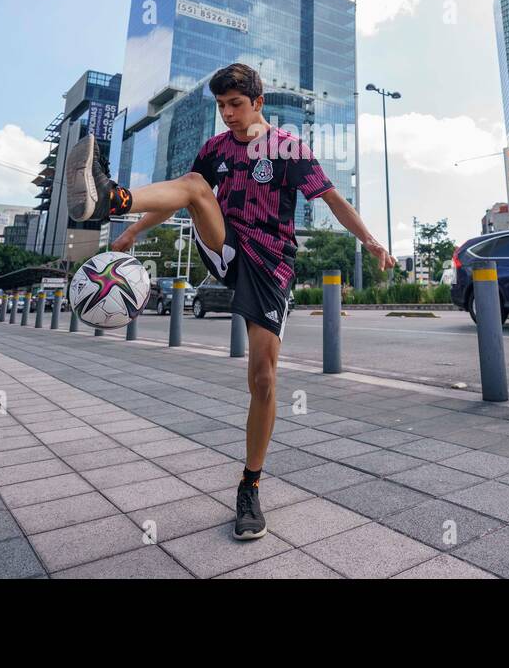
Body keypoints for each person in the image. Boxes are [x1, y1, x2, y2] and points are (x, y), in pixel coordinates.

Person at [71, 62, 394, 541]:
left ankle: (250, 484)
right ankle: (113, 199)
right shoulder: (215, 149)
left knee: (263, 378)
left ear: (258, 103)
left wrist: (369, 239)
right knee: (198, 186)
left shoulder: (289, 149)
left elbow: (330, 199)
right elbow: (184, 194)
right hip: (224, 245)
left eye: (236, 105)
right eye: (221, 106)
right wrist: (133, 229)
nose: (227, 115)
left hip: (271, 263)